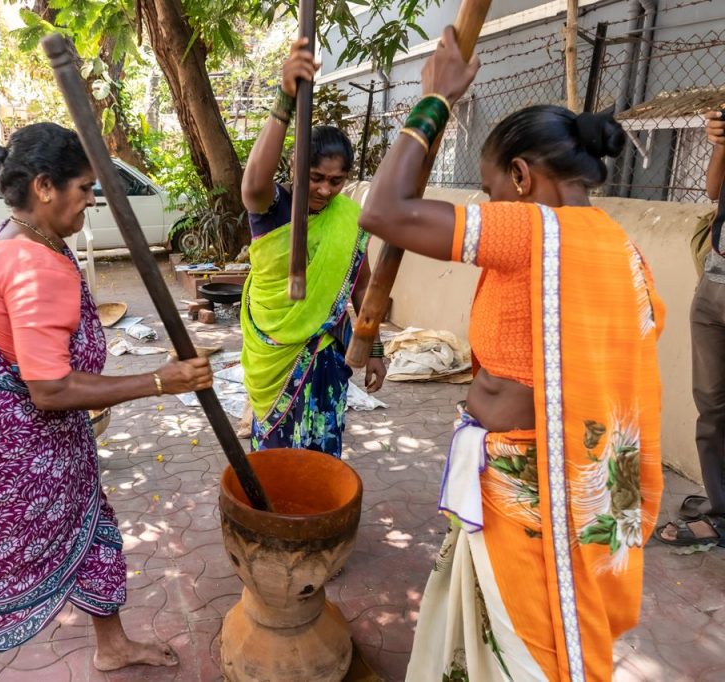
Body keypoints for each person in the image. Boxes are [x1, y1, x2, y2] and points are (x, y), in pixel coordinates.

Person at [358, 28, 664, 681]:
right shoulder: (621, 252)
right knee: (531, 633)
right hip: (534, 479)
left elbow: (384, 210)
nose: (493, 204)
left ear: (521, 178)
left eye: (494, 190)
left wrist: (435, 99)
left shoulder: (534, 230)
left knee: (529, 649)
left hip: (529, 489)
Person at [0, 122, 213, 680]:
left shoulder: (19, 236)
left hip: (14, 435)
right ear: (45, 186)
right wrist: (158, 381)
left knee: (92, 530)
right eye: (84, 189)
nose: (91, 202)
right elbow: (50, 389)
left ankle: (113, 646)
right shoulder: (33, 263)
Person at [240, 37, 386, 458]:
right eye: (315, 176)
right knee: (274, 450)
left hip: (325, 355)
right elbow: (251, 183)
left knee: (322, 446)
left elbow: (362, 286)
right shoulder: (273, 207)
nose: (323, 189)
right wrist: (285, 99)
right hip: (274, 353)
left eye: (335, 181)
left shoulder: (347, 217)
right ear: (293, 166)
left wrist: (374, 348)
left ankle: (317, 515)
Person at [656, 108, 725, 548]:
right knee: (712, 406)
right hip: (716, 281)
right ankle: (720, 509)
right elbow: (713, 189)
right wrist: (720, 143)